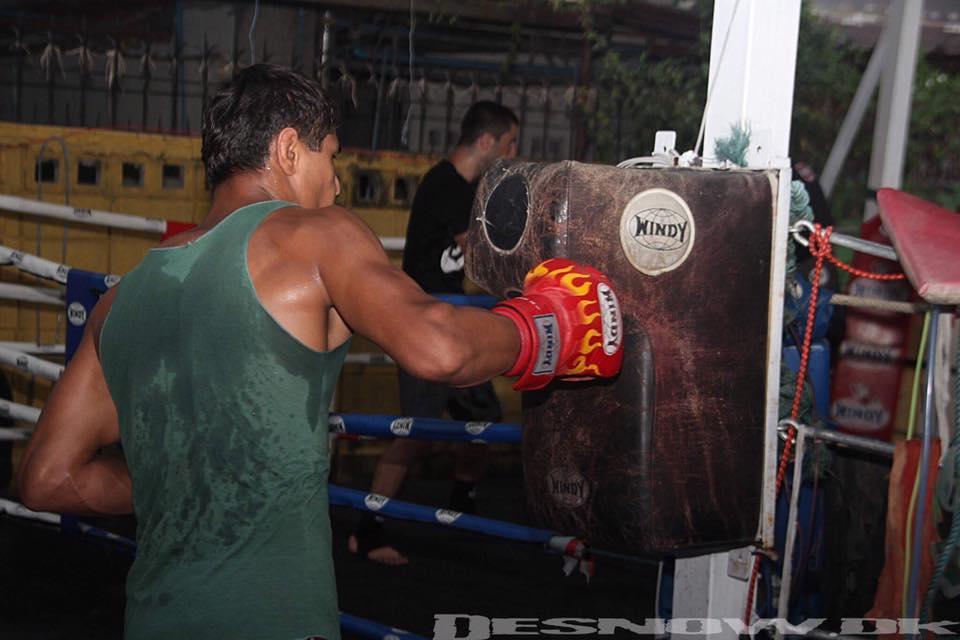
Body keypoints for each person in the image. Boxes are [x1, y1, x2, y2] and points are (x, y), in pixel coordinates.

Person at [16, 65, 620, 640]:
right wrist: (553, 327)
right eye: (330, 156)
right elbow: (439, 347)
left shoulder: (119, 301)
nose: (334, 182)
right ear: (287, 149)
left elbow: (47, 478)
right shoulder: (314, 234)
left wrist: (174, 484)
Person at [348, 101, 519, 566]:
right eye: (509, 143)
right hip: (421, 328)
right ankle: (367, 530)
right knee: (413, 433)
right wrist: (530, 283)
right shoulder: (447, 185)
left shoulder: (460, 188)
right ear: (486, 141)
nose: (511, 153)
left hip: (449, 327)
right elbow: (483, 259)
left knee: (486, 422)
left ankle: (463, 502)